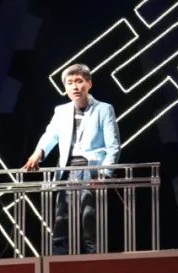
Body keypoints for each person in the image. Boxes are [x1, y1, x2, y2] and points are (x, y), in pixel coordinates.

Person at [22, 62, 120, 254]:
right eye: (70, 82)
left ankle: (94, 261)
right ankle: (58, 261)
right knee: (62, 219)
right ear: (65, 87)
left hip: (91, 169)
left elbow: (113, 146)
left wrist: (105, 174)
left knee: (89, 219)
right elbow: (51, 135)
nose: (75, 86)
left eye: (79, 81)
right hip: (66, 169)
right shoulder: (61, 111)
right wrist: (38, 152)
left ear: (89, 84)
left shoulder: (104, 109)